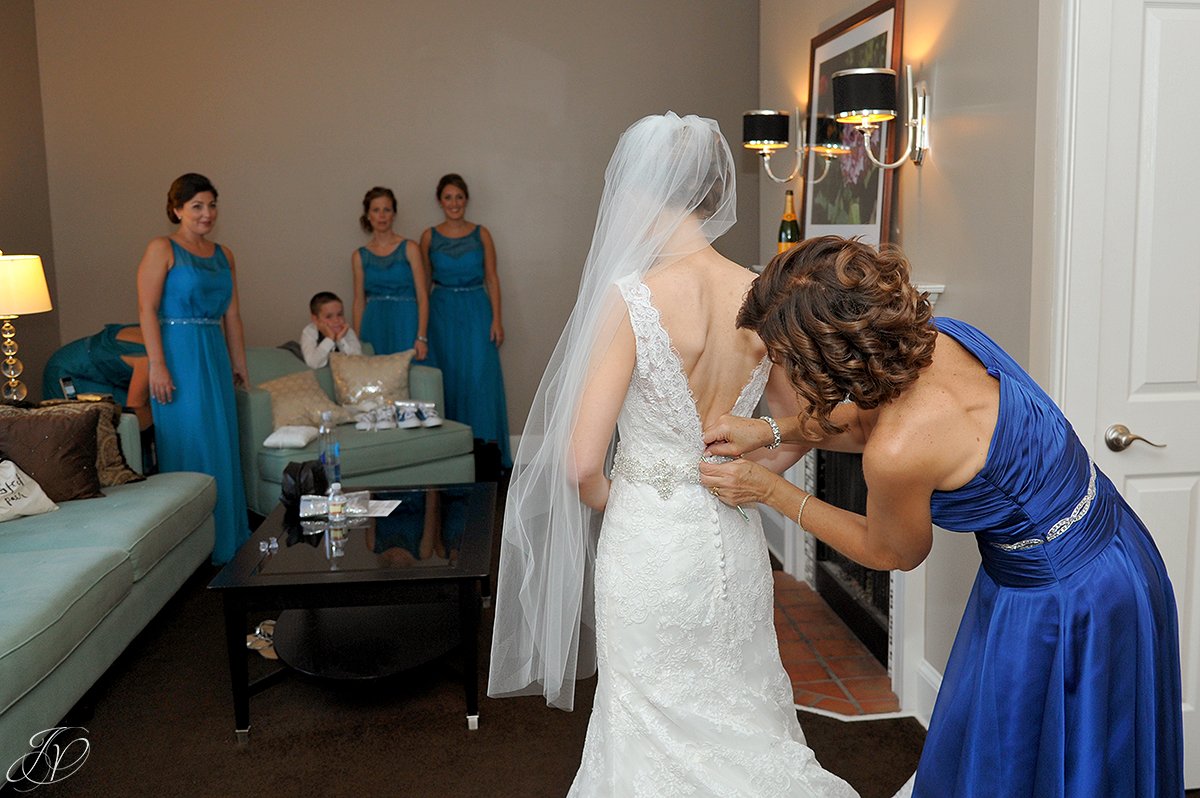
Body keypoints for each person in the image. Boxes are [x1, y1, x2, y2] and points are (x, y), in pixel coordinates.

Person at [699, 236, 1183, 797]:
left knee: (1036, 761)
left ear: (828, 354)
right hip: (1118, 544)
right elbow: (869, 418)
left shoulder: (899, 451)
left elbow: (892, 553)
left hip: (1066, 601)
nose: (778, 365)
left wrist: (770, 490)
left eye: (784, 356)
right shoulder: (946, 338)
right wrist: (774, 429)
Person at [488, 114, 857, 797]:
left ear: (647, 189)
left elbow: (580, 465)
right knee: (740, 704)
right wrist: (751, 474)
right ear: (713, 194)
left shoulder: (631, 298)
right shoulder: (758, 292)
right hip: (732, 533)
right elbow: (803, 424)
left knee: (648, 719)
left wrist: (631, 500)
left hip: (651, 545)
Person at [136, 173, 250, 566]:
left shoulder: (224, 254)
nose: (207, 213)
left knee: (221, 441)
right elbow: (147, 310)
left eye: (212, 205)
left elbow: (233, 315)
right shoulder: (162, 248)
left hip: (214, 354)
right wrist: (157, 366)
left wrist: (239, 363)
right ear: (177, 209)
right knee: (190, 442)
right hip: (177, 355)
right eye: (197, 206)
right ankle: (191, 551)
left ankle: (228, 539)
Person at [419, 174, 511, 472]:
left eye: (459, 197)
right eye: (448, 197)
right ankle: (450, 454)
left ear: (466, 200)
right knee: (449, 379)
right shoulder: (429, 237)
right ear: (440, 201)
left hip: (476, 309)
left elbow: (492, 278)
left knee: (480, 379)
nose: (454, 203)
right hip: (442, 311)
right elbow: (422, 284)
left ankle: (487, 453)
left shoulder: (481, 234)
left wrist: (497, 318)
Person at [352, 187, 430, 361]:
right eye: (376, 210)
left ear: (394, 214)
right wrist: (356, 343)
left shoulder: (410, 248)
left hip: (407, 322)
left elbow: (423, 296)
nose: (382, 215)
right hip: (374, 324)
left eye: (387, 210)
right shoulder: (359, 256)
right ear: (368, 215)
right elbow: (359, 302)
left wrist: (422, 336)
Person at [42, 324, 151, 427]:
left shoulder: (161, 333)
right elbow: (132, 418)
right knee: (90, 427)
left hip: (105, 372)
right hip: (71, 371)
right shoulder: (147, 360)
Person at [301, 291, 362, 368]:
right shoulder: (309, 332)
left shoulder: (347, 331)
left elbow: (357, 361)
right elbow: (313, 363)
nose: (336, 320)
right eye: (329, 316)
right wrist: (330, 339)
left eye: (340, 314)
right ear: (315, 319)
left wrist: (340, 339)